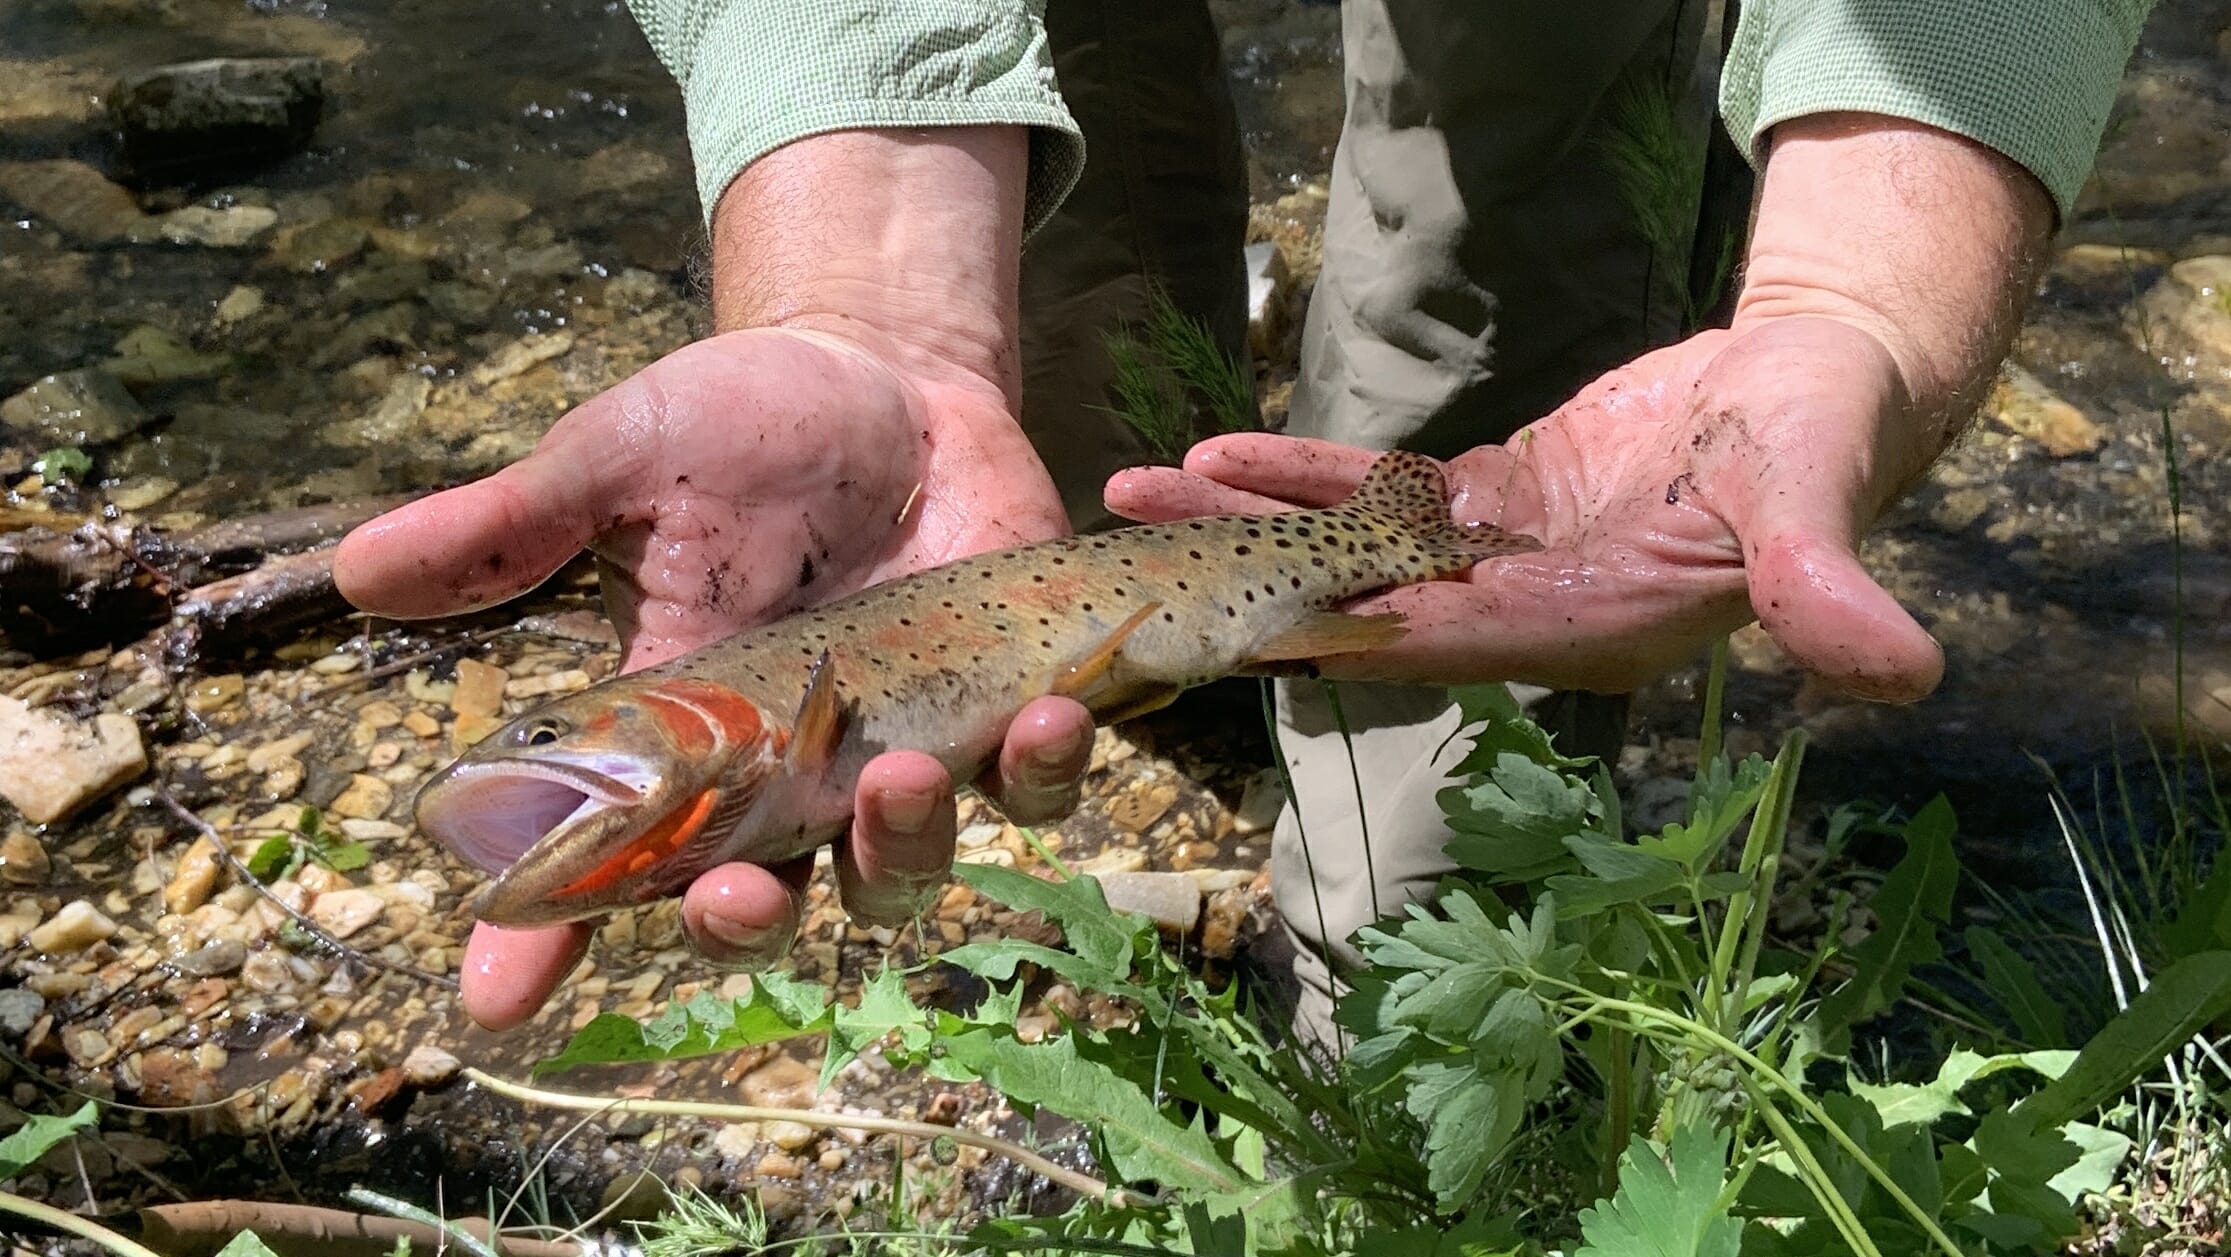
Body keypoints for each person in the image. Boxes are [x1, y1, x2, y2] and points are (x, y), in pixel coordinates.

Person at [333, 0, 2154, 1032]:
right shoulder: (757, 733)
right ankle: (1215, 703)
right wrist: (866, 296)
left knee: (1498, 245)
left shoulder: (771, 725)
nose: (586, 752)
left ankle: (1414, 995)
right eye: (587, 742)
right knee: (1074, 320)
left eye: (586, 732)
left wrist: (1857, 305)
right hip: (1074, 582)